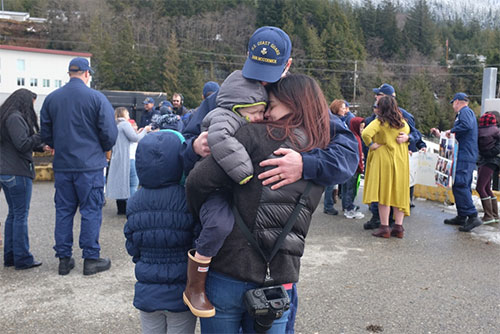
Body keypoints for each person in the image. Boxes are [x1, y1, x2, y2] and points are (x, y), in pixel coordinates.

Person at [186, 73, 330, 334]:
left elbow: (197, 181)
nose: (266, 114)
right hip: (280, 277)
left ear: (292, 102)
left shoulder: (252, 135)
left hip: (230, 268)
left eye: (271, 106)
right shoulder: (320, 153)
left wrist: (206, 214)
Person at [182, 69, 267, 317]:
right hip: (214, 189)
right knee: (219, 224)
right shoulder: (223, 118)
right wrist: (244, 173)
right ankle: (194, 286)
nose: (261, 117)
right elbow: (222, 141)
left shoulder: (239, 117)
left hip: (226, 187)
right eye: (256, 112)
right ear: (239, 107)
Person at [40, 57, 118, 276]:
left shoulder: (52, 99)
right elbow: (109, 133)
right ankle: (91, 258)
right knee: (91, 211)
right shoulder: (96, 98)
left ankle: (64, 260)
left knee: (63, 211)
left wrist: (58, 145)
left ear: (69, 74)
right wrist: (101, 147)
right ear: (86, 74)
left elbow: (45, 132)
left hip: (64, 165)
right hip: (90, 165)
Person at [124, 131, 198, 334]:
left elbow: (132, 245)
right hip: (181, 290)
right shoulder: (188, 198)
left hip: (147, 290)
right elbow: (197, 242)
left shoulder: (135, 201)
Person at [363, 83, 422, 230]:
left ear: (386, 98)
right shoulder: (396, 119)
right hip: (397, 159)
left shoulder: (399, 115)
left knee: (384, 193)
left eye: (379, 95)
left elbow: (417, 135)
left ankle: (383, 223)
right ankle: (391, 224)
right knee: (396, 193)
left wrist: (408, 138)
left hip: (386, 159)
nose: (376, 97)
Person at [0, 89, 45, 270]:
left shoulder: (5, 117)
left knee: (13, 214)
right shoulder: (15, 117)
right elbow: (23, 144)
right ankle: (23, 258)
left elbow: (16, 143)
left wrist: (41, 147)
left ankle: (10, 256)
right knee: (20, 215)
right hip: (17, 171)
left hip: (6, 171)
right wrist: (41, 135)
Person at [431, 92, 481, 232]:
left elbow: (466, 126)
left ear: (458, 102)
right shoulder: (466, 113)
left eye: (453, 103)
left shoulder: (465, 112)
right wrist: (441, 134)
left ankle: (472, 215)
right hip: (464, 154)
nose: (453, 106)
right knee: (459, 184)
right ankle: (462, 215)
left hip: (465, 155)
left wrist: (452, 130)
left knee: (461, 184)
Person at [362, 96, 410, 238]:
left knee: (385, 194)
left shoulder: (379, 122)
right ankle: (398, 227)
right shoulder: (402, 123)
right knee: (399, 193)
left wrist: (371, 145)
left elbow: (365, 133)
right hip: (400, 160)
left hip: (384, 159)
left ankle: (384, 228)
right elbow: (407, 134)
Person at [106, 107, 149, 215]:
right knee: (132, 184)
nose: (129, 116)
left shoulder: (115, 125)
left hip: (118, 159)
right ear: (123, 114)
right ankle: (132, 209)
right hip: (128, 159)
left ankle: (121, 209)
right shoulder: (124, 124)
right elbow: (135, 138)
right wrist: (145, 130)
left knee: (121, 183)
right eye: (128, 114)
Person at [475, 113, 500, 224]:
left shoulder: (482, 131)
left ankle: (488, 216)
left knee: (480, 187)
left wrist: (491, 153)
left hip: (488, 160)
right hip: (492, 161)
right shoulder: (496, 130)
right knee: (486, 188)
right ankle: (494, 215)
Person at [343, 117, 365, 219]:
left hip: (350, 168)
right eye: (361, 128)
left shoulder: (352, 136)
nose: (362, 130)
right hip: (354, 168)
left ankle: (347, 206)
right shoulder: (355, 138)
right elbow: (357, 156)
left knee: (348, 189)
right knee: (350, 189)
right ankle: (349, 209)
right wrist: (360, 167)